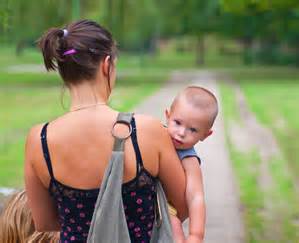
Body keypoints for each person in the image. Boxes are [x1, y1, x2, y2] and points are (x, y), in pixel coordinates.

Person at [24, 19, 187, 243]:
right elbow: (182, 205)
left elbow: (44, 222)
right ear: (107, 65)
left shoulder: (38, 140)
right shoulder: (145, 131)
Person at [165, 86, 218, 243]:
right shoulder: (156, 135)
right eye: (177, 122)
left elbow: (196, 197)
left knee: (174, 227)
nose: (181, 133)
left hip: (164, 208)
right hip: (135, 197)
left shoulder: (189, 159)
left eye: (193, 130)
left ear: (205, 135)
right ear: (168, 116)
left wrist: (196, 235)